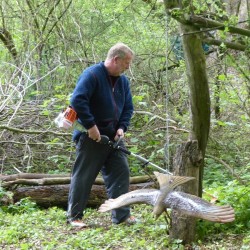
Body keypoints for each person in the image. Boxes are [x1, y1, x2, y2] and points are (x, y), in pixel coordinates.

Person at [67, 42, 136, 227]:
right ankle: (75, 217)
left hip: (114, 138)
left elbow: (128, 108)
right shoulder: (92, 75)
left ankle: (121, 216)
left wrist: (122, 127)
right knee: (84, 176)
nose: (128, 67)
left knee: (121, 172)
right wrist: (91, 126)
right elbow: (78, 100)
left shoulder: (123, 82)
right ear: (116, 59)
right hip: (91, 137)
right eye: (126, 63)